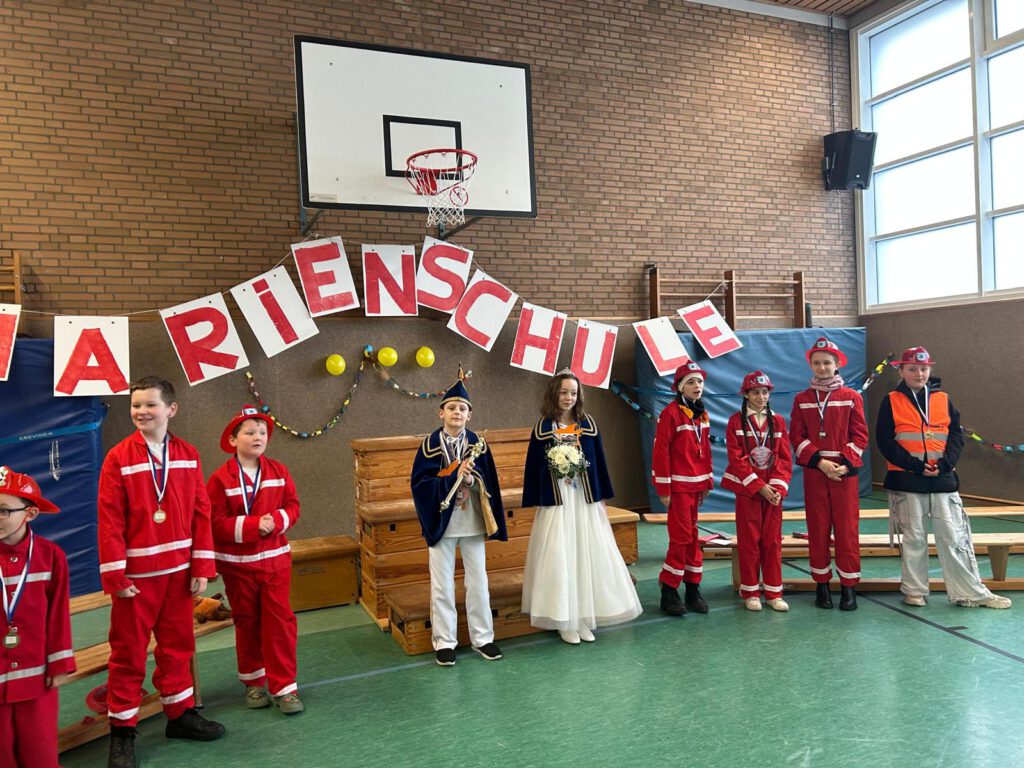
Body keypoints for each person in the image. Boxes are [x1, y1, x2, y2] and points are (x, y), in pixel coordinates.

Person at [98, 376, 224, 768]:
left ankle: (180, 714)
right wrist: (116, 576)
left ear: (171, 409)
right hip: (136, 579)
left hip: (179, 575)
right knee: (129, 654)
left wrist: (202, 565)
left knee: (177, 647)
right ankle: (122, 733)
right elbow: (109, 519)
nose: (141, 412)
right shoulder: (118, 458)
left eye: (150, 404)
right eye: (136, 405)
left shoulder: (187, 453)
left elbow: (201, 512)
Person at [875, 347, 1011, 610]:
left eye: (924, 369)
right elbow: (885, 441)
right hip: (907, 480)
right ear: (901, 371)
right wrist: (916, 466)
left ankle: (969, 593)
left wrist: (945, 465)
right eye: (912, 369)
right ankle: (914, 591)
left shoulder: (943, 399)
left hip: (942, 479)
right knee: (913, 538)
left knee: (954, 537)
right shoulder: (890, 401)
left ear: (930, 370)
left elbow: (956, 436)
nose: (919, 373)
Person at [521, 370, 642, 644]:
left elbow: (598, 462)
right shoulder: (543, 428)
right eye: (563, 392)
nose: (568, 397)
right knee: (560, 554)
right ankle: (565, 619)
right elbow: (534, 466)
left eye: (573, 393)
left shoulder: (588, 424)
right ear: (554, 393)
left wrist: (601, 495)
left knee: (585, 553)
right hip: (558, 500)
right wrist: (556, 468)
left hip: (583, 498)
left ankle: (584, 615)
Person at [207, 406, 304, 714]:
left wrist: (276, 521)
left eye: (262, 432)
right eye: (249, 432)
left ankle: (285, 688)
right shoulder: (220, 479)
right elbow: (214, 521)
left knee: (280, 622)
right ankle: (253, 682)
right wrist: (252, 526)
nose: (258, 437)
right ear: (233, 440)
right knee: (247, 622)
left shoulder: (279, 471)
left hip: (275, 562)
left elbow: (293, 506)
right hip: (238, 566)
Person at [410, 375, 507, 666]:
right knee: (442, 583)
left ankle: (483, 638)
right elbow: (420, 485)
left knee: (478, 580)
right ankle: (444, 641)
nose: (457, 413)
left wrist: (472, 479)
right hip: (441, 520)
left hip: (471, 519)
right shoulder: (429, 445)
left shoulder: (478, 444)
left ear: (469, 415)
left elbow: (490, 481)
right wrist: (451, 478)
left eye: (462, 409)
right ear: (441, 413)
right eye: (451, 408)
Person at [0, 466, 75, 768]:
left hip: (37, 675)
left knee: (39, 751)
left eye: (4, 510)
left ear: (30, 513)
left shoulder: (51, 556)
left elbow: (58, 614)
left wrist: (59, 662)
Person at [789, 337, 869, 611]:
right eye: (816, 363)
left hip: (844, 474)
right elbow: (797, 436)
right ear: (810, 365)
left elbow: (860, 436)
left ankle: (849, 587)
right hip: (816, 473)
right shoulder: (802, 399)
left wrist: (845, 465)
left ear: (837, 365)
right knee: (818, 529)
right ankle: (821, 585)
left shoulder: (852, 397)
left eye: (827, 362)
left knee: (847, 531)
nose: (822, 367)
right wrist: (821, 462)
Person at [722, 371, 794, 612]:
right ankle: (751, 592)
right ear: (746, 394)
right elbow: (736, 459)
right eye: (755, 392)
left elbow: (784, 458)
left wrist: (776, 488)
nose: (761, 397)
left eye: (764, 392)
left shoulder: (778, 421)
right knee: (749, 542)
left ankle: (774, 593)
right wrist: (759, 487)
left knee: (772, 542)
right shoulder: (735, 421)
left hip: (773, 493)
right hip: (748, 491)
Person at [652, 361, 714, 616]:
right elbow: (661, 451)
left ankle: (692, 588)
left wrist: (708, 481)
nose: (697, 386)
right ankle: (668, 589)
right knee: (680, 539)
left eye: (699, 381)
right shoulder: (671, 413)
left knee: (693, 538)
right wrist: (664, 488)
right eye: (691, 382)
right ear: (680, 387)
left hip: (697, 486)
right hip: (678, 487)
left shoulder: (702, 414)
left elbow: (705, 450)